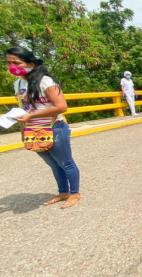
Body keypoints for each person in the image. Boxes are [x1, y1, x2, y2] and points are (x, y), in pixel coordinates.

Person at [6, 47, 81, 208]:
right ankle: (63, 192)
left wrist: (31, 116)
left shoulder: (45, 81)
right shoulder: (18, 84)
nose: (12, 66)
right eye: (9, 63)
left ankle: (74, 193)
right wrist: (23, 131)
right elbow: (23, 110)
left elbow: (61, 106)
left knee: (65, 162)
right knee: (53, 164)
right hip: (32, 130)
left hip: (54, 127)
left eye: (16, 62)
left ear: (31, 63)